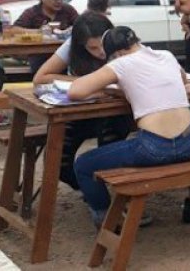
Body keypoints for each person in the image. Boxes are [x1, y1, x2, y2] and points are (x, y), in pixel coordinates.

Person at [68, 26, 190, 227]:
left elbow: (75, 91)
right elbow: (183, 79)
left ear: (117, 53)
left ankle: (108, 221)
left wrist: (115, 87)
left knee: (83, 165)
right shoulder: (166, 55)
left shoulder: (122, 63)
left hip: (155, 148)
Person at [34, 12, 131, 190]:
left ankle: (113, 200)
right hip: (82, 112)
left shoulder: (122, 42)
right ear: (81, 45)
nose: (101, 52)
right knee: (58, 162)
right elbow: (40, 78)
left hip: (117, 112)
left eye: (102, 45)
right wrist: (89, 81)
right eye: (92, 48)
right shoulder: (72, 46)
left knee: (108, 155)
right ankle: (91, 191)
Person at [14, 0, 79, 75]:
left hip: (65, 54)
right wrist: (39, 32)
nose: (59, 1)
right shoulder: (32, 12)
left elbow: (81, 26)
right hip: (39, 55)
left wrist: (68, 31)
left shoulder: (68, 10)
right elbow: (15, 29)